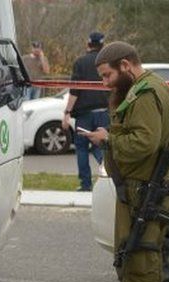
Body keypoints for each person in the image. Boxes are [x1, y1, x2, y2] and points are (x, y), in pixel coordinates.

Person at [83, 42, 169, 282]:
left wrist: (108, 140)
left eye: (107, 75)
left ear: (125, 65)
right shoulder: (152, 86)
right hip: (146, 183)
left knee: (136, 248)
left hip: (143, 185)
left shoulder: (145, 93)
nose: (105, 83)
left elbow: (143, 143)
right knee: (147, 245)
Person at [62, 31, 111, 192]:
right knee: (101, 146)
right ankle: (110, 174)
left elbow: (75, 90)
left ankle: (85, 184)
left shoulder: (80, 62)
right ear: (103, 45)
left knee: (82, 148)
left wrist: (67, 113)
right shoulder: (107, 63)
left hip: (84, 115)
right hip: (104, 112)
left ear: (88, 44)